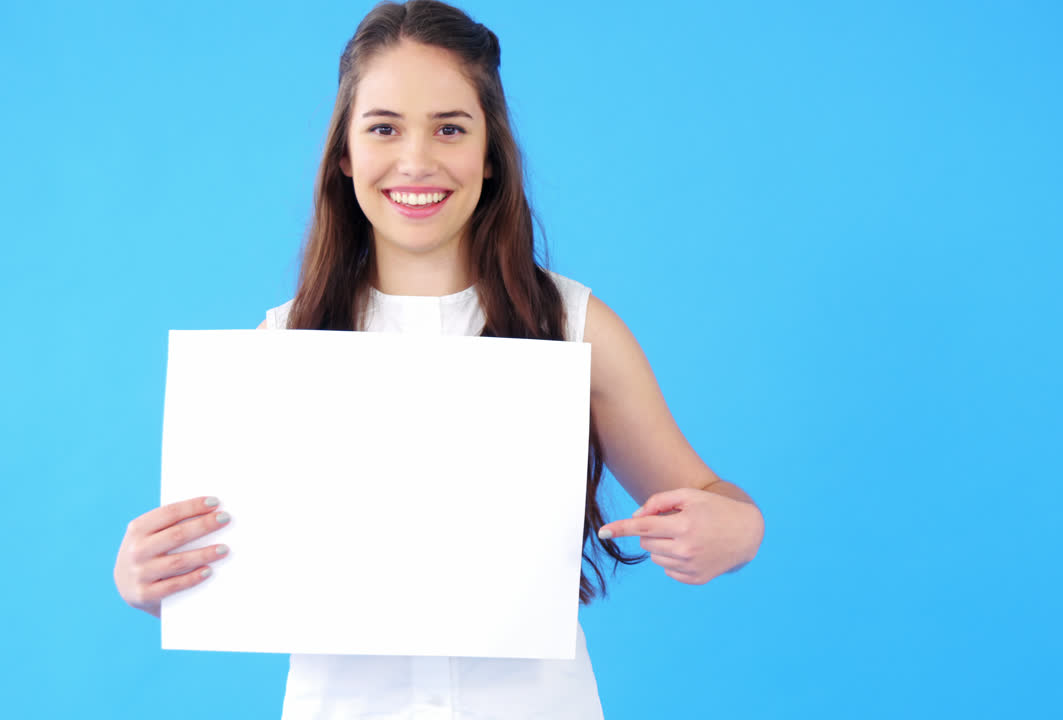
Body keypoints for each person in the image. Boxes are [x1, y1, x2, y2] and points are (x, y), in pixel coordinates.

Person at [113, 1, 765, 717]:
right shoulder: (286, 343)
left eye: (450, 128)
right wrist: (146, 576)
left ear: (489, 154)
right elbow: (225, 569)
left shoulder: (573, 326)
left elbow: (714, 500)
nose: (416, 160)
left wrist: (735, 530)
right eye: (384, 128)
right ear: (345, 155)